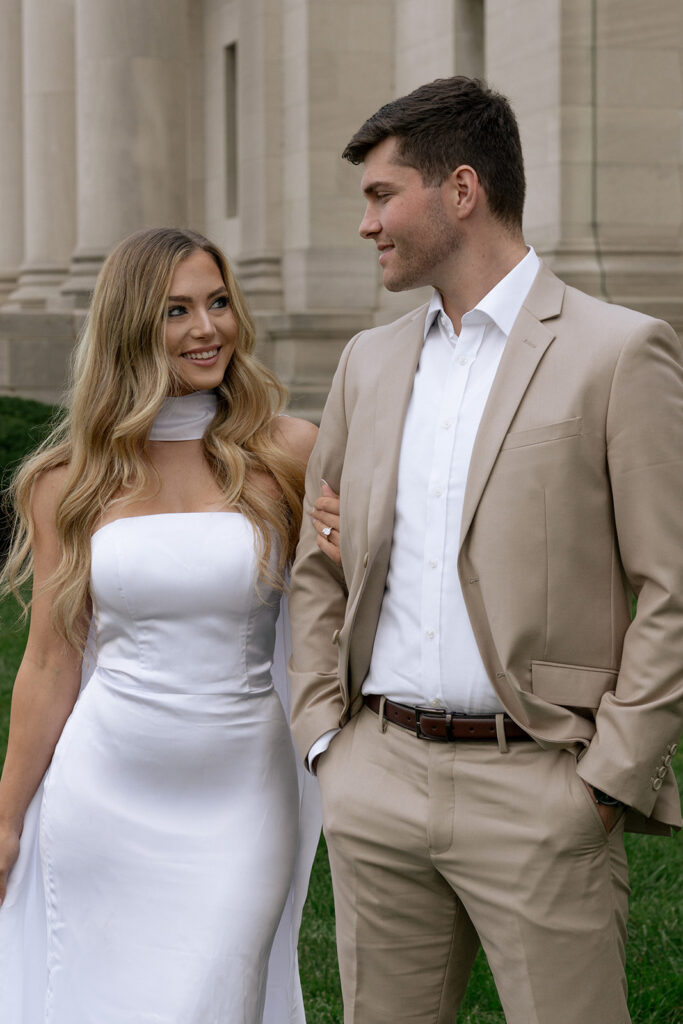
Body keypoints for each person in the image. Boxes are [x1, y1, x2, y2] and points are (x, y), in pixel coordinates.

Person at [287, 76, 683, 1024]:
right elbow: (317, 565)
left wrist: (607, 779)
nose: (365, 224)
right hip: (376, 782)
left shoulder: (617, 352)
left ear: (460, 190)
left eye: (382, 195)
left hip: (540, 790)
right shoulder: (368, 362)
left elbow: (670, 589)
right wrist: (325, 743)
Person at [0, 226, 322, 1024]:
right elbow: (50, 662)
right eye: (177, 310)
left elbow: (343, 612)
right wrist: (6, 819)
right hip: (103, 794)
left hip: (243, 792)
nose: (206, 328)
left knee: (214, 994)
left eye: (218, 303)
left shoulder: (287, 453)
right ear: (131, 325)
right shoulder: (67, 481)